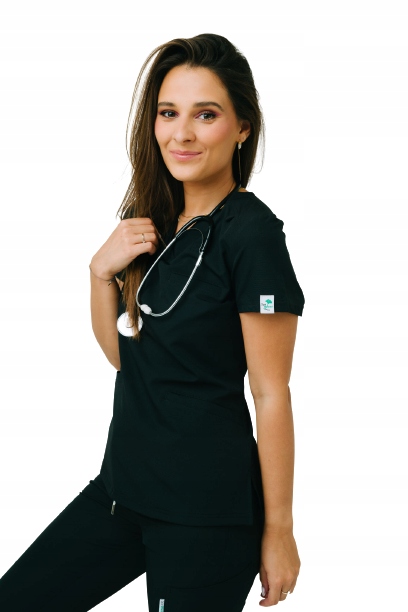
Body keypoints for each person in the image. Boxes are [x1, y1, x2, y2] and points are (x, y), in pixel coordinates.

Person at [0, 33, 305, 611]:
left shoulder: (253, 235)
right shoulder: (154, 222)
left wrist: (279, 530)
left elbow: (271, 393)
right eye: (169, 113)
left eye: (205, 114)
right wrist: (99, 274)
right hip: (121, 492)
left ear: (242, 128)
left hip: (203, 516)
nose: (181, 133)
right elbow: (127, 358)